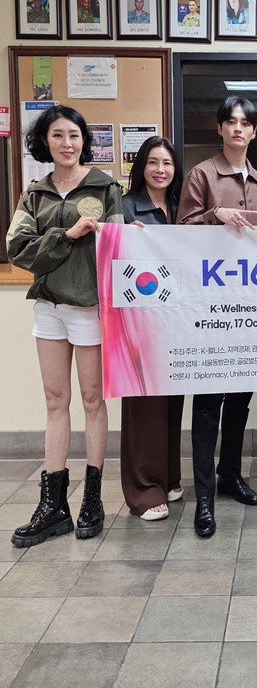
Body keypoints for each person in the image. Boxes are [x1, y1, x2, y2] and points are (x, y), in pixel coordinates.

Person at [6, 106, 123, 547]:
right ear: (45, 142)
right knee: (55, 401)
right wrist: (67, 236)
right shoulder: (35, 194)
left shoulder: (105, 187)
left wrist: (116, 236)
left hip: (89, 306)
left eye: (73, 135)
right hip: (49, 306)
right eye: (57, 135)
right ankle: (53, 506)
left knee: (92, 400)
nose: (67, 143)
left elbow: (117, 249)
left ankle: (93, 499)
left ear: (84, 140)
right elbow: (19, 249)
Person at [178, 97, 257, 537]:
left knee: (239, 399)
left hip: (249, 306)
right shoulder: (201, 174)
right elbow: (180, 232)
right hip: (208, 308)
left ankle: (230, 474)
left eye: (245, 123)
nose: (238, 128)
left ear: (253, 131)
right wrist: (214, 215)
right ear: (220, 128)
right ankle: (203, 495)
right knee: (207, 404)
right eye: (230, 121)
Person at [120, 136, 185, 521]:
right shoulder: (126, 207)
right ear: (141, 167)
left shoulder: (181, 207)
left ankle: (168, 477)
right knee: (144, 403)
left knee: (171, 400)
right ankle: (143, 490)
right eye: (153, 162)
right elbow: (110, 256)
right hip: (140, 320)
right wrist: (127, 237)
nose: (161, 170)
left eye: (167, 163)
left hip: (177, 318)